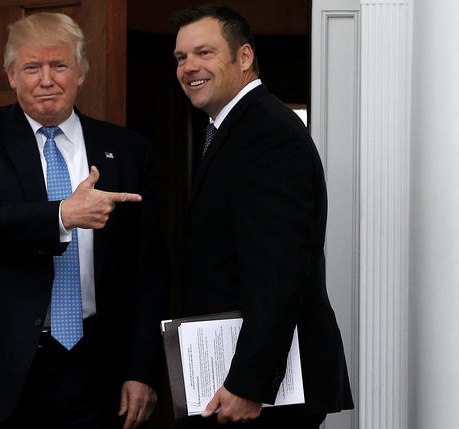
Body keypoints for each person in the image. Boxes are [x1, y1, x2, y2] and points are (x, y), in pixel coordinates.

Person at [0, 12, 169, 429]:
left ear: (81, 73)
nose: (46, 79)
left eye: (60, 65)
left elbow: (149, 269)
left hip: (95, 364)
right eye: (32, 67)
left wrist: (141, 370)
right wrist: (61, 215)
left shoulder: (127, 149)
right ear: (11, 75)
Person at [169, 5, 354, 428]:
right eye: (181, 57)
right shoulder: (229, 128)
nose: (189, 67)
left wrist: (250, 383)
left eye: (204, 53)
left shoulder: (267, 132)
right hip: (236, 379)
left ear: (244, 57)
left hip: (262, 394)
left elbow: (279, 271)